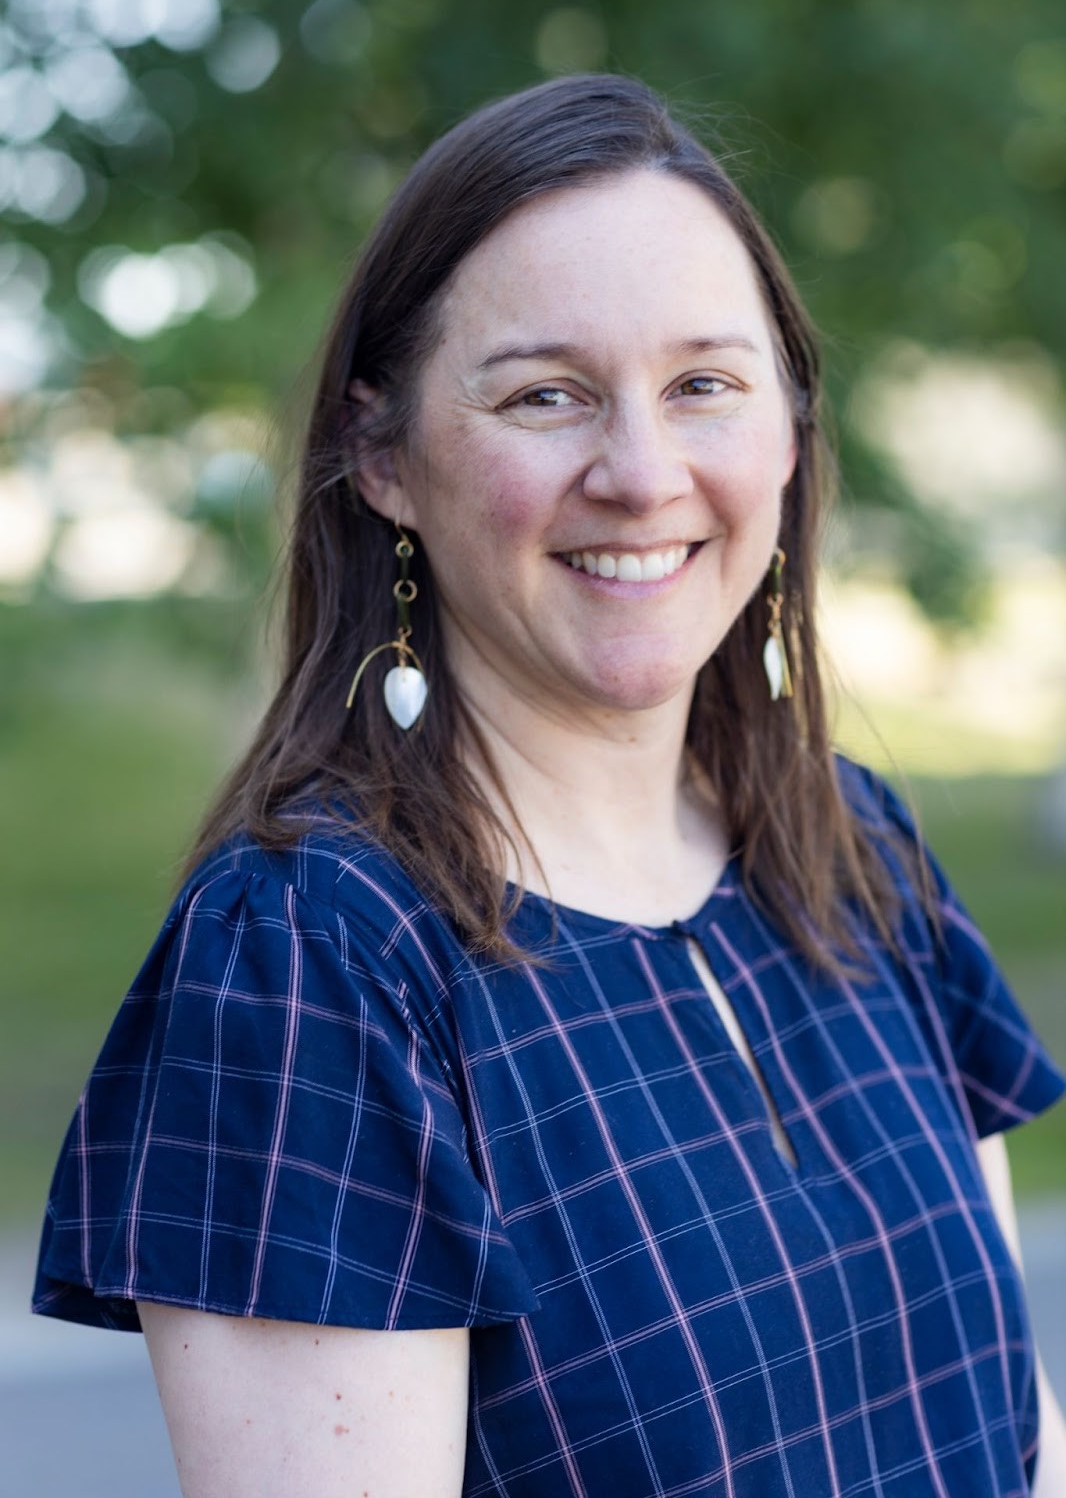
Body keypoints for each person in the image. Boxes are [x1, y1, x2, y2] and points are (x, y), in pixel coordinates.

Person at [32, 74, 1066, 1497]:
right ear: (382, 458)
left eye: (703, 383)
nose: (641, 474)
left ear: (786, 430)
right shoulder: (315, 960)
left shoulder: (855, 852)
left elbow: (1019, 1437)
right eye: (544, 396)